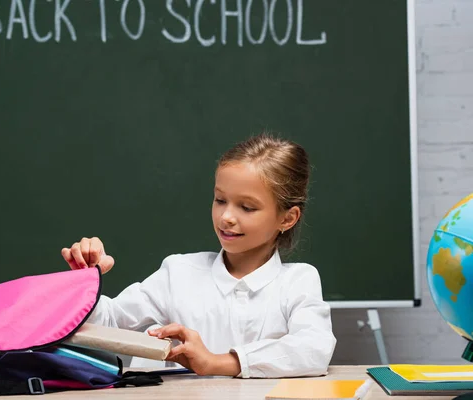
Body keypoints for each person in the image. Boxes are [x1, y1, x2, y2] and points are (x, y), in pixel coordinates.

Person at [61, 133, 336, 378]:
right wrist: (86, 281)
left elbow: (314, 348)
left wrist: (217, 363)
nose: (226, 217)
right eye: (220, 200)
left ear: (287, 218)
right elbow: (107, 325)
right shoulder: (179, 272)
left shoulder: (298, 280)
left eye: (247, 207)